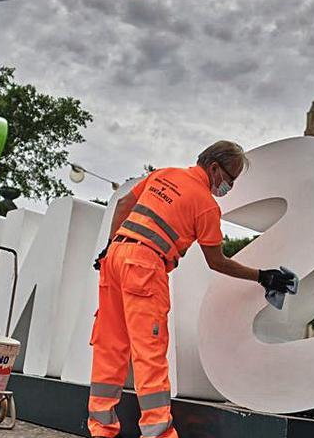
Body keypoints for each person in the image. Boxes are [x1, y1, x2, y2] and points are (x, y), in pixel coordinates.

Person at [87, 140, 295, 438]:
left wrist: (109, 248)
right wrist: (263, 276)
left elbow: (122, 205)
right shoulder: (206, 205)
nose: (230, 187)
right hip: (146, 267)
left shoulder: (164, 174)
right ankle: (158, 433)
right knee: (149, 352)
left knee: (110, 346)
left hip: (115, 259)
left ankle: (101, 429)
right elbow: (217, 262)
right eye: (231, 179)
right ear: (214, 168)